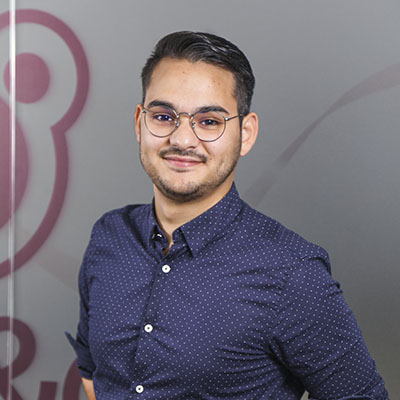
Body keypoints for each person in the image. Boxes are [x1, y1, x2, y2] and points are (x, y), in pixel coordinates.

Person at [67, 31, 389, 399]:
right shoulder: (110, 236)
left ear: (245, 133)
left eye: (209, 121)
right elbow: (94, 373)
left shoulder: (292, 274)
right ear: (140, 122)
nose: (182, 140)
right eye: (163, 116)